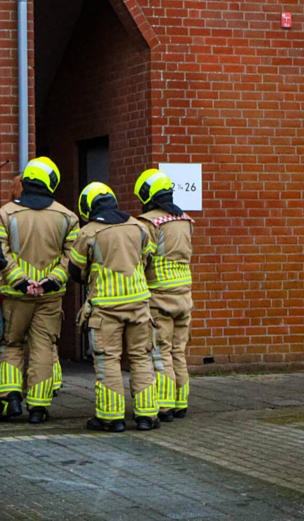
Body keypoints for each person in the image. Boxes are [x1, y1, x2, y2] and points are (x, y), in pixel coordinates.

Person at [0, 157, 79, 424]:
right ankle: (38, 408)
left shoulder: (6, 213)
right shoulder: (67, 216)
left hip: (16, 295)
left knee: (11, 344)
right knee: (43, 348)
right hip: (50, 296)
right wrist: (49, 282)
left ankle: (11, 397)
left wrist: (20, 282)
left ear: (26, 182)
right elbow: (71, 258)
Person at [69, 182, 160, 432]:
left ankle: (111, 418)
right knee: (141, 357)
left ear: (87, 207)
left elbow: (76, 270)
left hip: (106, 308)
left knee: (108, 359)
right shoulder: (139, 226)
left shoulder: (89, 232)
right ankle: (147, 416)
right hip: (140, 303)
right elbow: (148, 259)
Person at [134, 170, 194, 421]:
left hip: (159, 296)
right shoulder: (186, 220)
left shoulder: (149, 222)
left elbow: (142, 258)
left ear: (148, 195)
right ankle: (181, 403)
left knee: (160, 351)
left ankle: (165, 406)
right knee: (178, 351)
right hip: (184, 296)